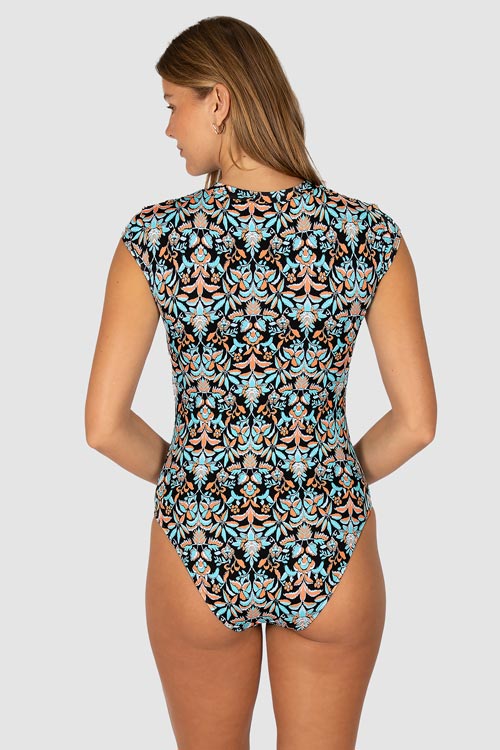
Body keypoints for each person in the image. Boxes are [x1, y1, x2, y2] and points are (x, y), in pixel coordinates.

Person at [85, 15, 437, 750]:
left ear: (218, 100)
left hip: (200, 537)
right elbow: (416, 423)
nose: (168, 128)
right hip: (328, 540)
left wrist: (192, 475)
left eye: (173, 104)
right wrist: (326, 478)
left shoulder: (155, 238)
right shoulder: (369, 234)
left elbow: (104, 426)